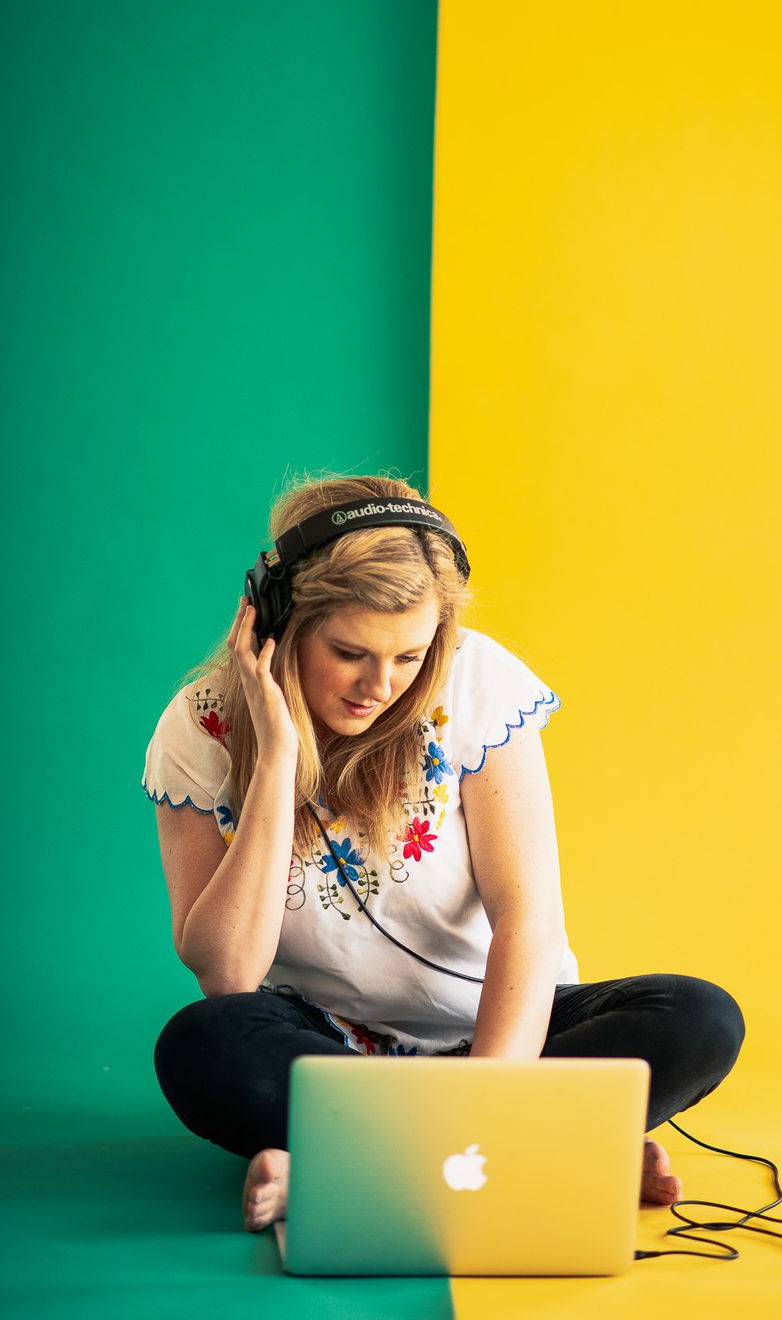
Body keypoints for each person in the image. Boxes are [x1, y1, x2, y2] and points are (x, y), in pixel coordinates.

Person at [145, 474, 746, 1233]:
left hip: (507, 1037)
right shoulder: (201, 729)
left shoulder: (476, 682)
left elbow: (527, 918)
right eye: (350, 652)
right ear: (276, 619)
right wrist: (275, 759)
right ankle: (556, 1152)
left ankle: (353, 1166)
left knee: (699, 1017)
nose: (380, 687)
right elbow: (228, 974)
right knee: (201, 1044)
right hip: (332, 1044)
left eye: (409, 656)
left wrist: (488, 1098)